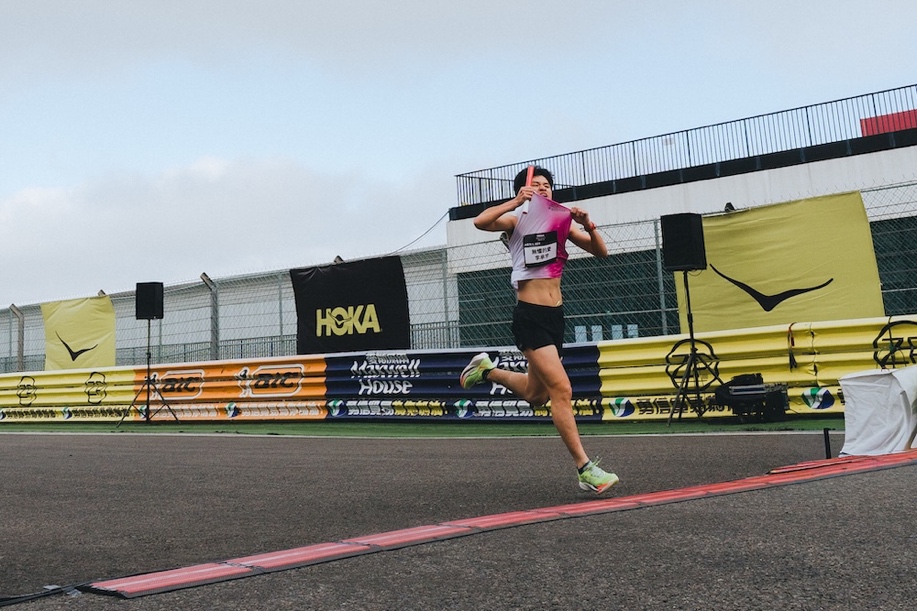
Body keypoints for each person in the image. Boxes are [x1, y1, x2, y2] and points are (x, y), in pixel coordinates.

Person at [460, 166, 619, 494]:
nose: (544, 189)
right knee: (561, 389)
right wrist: (516, 201)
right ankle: (585, 468)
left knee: (537, 395)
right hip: (529, 316)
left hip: (555, 317)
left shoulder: (561, 221)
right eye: (537, 185)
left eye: (547, 185)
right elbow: (480, 222)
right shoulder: (516, 220)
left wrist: (587, 224)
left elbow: (600, 251)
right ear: (525, 190)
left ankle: (487, 371)